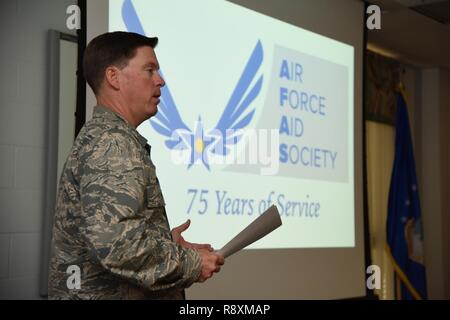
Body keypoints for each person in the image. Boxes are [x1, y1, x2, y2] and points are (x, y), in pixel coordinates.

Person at [48, 31, 224, 300]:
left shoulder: (110, 137)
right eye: (149, 69)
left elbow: (112, 235)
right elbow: (117, 246)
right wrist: (191, 262)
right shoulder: (111, 143)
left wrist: (164, 243)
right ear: (113, 77)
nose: (160, 80)